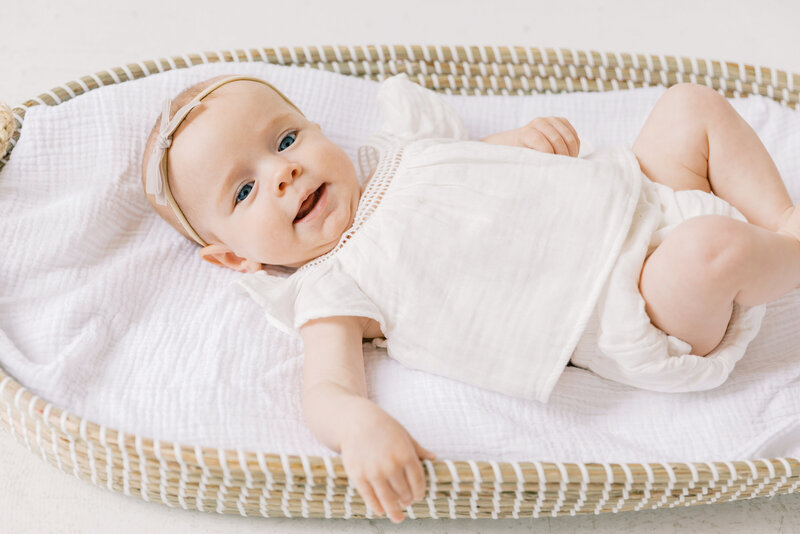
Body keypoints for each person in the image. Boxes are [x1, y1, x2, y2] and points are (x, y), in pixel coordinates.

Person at [141, 73, 800, 523]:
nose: (282, 171)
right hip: (635, 303)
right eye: (245, 191)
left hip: (637, 189)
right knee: (715, 250)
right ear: (234, 256)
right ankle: (786, 259)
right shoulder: (331, 284)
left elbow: (472, 176)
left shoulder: (399, 154)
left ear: (316, 129)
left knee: (691, 104)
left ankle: (782, 223)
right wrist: (358, 428)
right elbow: (326, 390)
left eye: (285, 140)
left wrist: (523, 145)